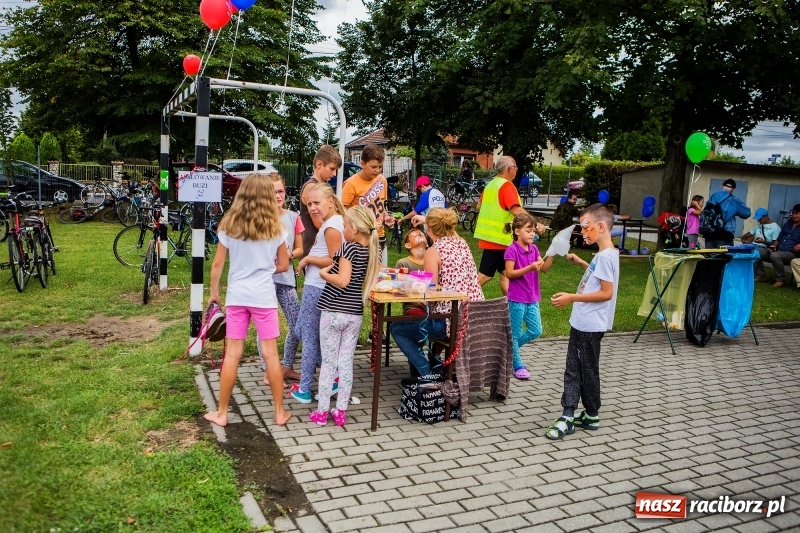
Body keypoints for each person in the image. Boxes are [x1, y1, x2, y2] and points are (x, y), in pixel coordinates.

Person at [204, 174, 292, 428]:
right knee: (271, 355)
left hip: (237, 296)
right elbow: (284, 265)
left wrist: (214, 293)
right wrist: (264, 269)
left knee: (232, 354)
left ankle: (221, 413)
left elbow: (218, 264)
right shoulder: (277, 228)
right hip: (263, 297)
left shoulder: (228, 225)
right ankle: (279, 413)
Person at [546, 203, 620, 440]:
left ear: (600, 226)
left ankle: (568, 415)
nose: (583, 232)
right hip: (586, 323)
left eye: (587, 227)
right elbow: (599, 278)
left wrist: (571, 297)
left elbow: (606, 293)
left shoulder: (606, 256)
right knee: (587, 369)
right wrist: (582, 264)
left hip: (588, 324)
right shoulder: (605, 254)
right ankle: (591, 413)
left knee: (574, 370)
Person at [309, 206, 381, 427]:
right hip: (353, 313)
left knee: (329, 363)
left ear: (356, 229)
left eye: (346, 225)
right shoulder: (370, 251)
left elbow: (342, 280)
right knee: (346, 362)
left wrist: (323, 273)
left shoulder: (347, 248)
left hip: (333, 310)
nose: (343, 229)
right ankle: (340, 410)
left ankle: (321, 413)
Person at [392, 208, 484, 376]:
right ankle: (436, 364)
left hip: (450, 322)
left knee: (397, 328)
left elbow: (433, 294)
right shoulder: (462, 243)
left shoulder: (433, 252)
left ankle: (426, 371)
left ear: (430, 229)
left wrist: (410, 286)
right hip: (474, 317)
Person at [291, 183, 345, 403]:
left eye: (317, 203)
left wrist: (307, 259)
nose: (312, 208)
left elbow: (336, 260)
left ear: (330, 202)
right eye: (309, 204)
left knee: (309, 336)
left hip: (318, 287)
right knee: (302, 330)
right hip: (316, 285)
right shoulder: (331, 223)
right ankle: (331, 374)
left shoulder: (332, 226)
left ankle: (305, 388)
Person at [254, 173, 304, 385]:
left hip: (285, 278)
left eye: (281, 191)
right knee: (266, 327)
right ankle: (268, 371)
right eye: (273, 192)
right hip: (264, 280)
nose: (278, 195)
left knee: (297, 324)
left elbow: (300, 248)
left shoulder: (293, 217)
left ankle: (286, 366)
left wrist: (289, 255)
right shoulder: (259, 218)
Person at [473, 156, 542, 295]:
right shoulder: (507, 186)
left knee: (506, 273)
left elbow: (478, 206)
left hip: (492, 237)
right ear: (510, 169)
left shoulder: (490, 185)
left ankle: (511, 302)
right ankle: (461, 299)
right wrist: (535, 223)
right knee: (485, 275)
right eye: (515, 167)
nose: (517, 170)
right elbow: (516, 210)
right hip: (500, 239)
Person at [503, 212, 553, 380]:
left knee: (536, 330)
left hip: (532, 297)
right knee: (515, 333)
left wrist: (552, 252)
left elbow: (544, 268)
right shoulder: (512, 250)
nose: (532, 234)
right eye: (528, 230)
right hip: (516, 299)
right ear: (517, 231)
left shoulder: (534, 249)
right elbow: (509, 273)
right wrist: (530, 268)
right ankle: (517, 365)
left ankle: (510, 349)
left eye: (533, 231)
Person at [342, 143, 393, 264]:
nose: (377, 170)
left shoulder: (382, 180)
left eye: (380, 167)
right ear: (362, 163)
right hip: (361, 239)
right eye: (373, 166)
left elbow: (382, 206)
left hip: (379, 236)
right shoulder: (351, 183)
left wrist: (386, 217)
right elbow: (342, 211)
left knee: (381, 276)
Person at [299, 145, 342, 259]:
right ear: (319, 165)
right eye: (332, 169)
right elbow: (320, 223)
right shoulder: (311, 187)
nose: (334, 174)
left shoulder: (319, 185)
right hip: (315, 247)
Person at [704, 179, 751, 248]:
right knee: (724, 257)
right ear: (733, 189)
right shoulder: (733, 199)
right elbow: (746, 213)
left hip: (709, 232)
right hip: (724, 234)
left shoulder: (713, 196)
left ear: (721, 186)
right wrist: (735, 212)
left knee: (709, 256)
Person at [763, 204, 800, 288]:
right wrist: (773, 247)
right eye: (793, 213)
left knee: (775, 255)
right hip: (779, 251)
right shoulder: (788, 224)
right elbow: (778, 239)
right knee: (758, 251)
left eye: (797, 213)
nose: (794, 215)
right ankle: (760, 275)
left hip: (792, 254)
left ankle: (780, 279)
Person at [395, 228, 428, 316]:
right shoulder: (403, 263)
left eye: (421, 234)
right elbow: (400, 289)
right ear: (407, 245)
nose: (420, 235)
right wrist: (415, 301)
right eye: (416, 235)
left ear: (427, 243)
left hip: (432, 305)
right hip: (412, 307)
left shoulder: (431, 262)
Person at [746, 208, 782, 283]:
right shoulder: (758, 226)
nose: (758, 221)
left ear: (766, 216)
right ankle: (746, 273)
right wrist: (746, 240)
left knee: (755, 251)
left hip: (766, 248)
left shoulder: (775, 227)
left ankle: (760, 275)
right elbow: (746, 236)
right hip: (754, 245)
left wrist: (763, 241)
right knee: (742, 249)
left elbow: (774, 244)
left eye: (760, 219)